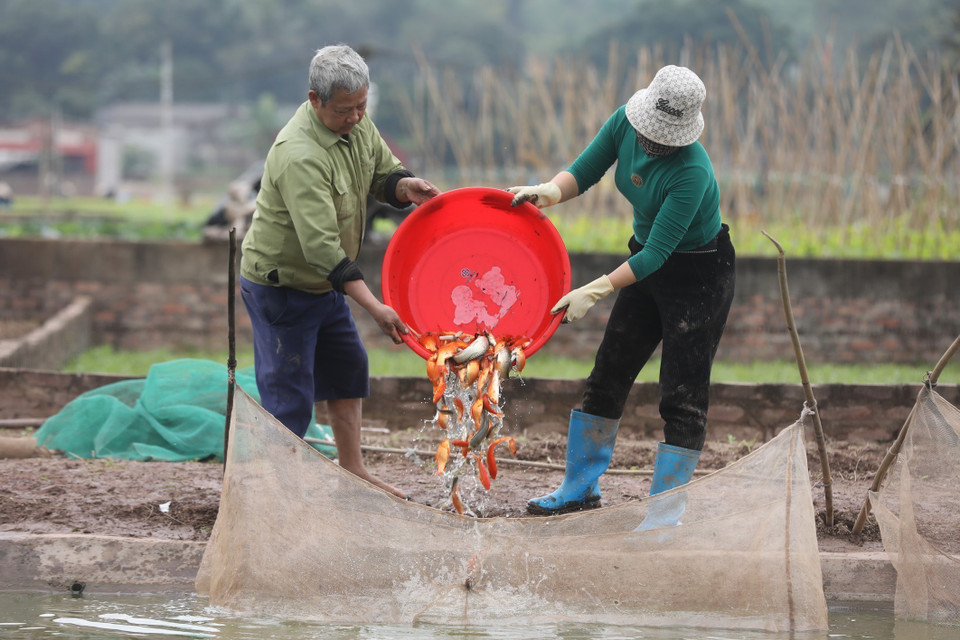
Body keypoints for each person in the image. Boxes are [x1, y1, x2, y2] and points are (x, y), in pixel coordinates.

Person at [509, 65, 735, 523]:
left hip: (698, 274)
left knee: (682, 395)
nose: (652, 143)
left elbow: (657, 254)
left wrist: (594, 289)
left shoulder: (692, 172)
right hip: (644, 264)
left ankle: (664, 513)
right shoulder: (626, 122)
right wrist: (548, 191)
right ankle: (579, 488)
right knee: (607, 374)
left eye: (664, 139)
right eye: (651, 132)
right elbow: (585, 170)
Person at [239, 44, 439, 499]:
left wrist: (406, 186)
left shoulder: (357, 121)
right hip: (284, 286)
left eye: (361, 106)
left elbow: (380, 173)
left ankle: (352, 469)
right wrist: (374, 306)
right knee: (289, 396)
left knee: (348, 368)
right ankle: (279, 497)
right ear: (315, 100)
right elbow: (322, 250)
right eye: (344, 110)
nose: (355, 117)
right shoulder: (299, 154)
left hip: (326, 284)